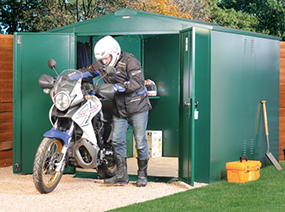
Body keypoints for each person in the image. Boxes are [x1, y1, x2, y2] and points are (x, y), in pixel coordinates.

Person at [80, 35, 152, 187]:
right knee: (118, 141)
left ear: (114, 52)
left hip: (137, 107)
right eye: (102, 59)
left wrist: (117, 87)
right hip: (119, 108)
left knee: (140, 142)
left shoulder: (130, 61)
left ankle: (142, 175)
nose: (104, 62)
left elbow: (137, 83)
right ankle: (121, 176)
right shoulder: (101, 63)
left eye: (106, 58)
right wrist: (70, 76)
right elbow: (88, 71)